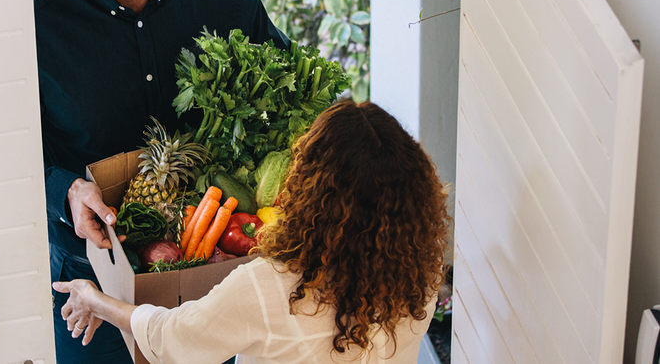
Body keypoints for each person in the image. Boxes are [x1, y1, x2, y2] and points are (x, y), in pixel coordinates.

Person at [33, 0, 292, 361]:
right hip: (90, 288)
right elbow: (9, 152)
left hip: (208, 275)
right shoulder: (38, 22)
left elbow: (285, 89)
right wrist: (66, 190)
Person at [53, 100, 451, 364]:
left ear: (312, 193)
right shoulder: (421, 272)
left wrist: (95, 299)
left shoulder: (271, 286)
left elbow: (173, 340)